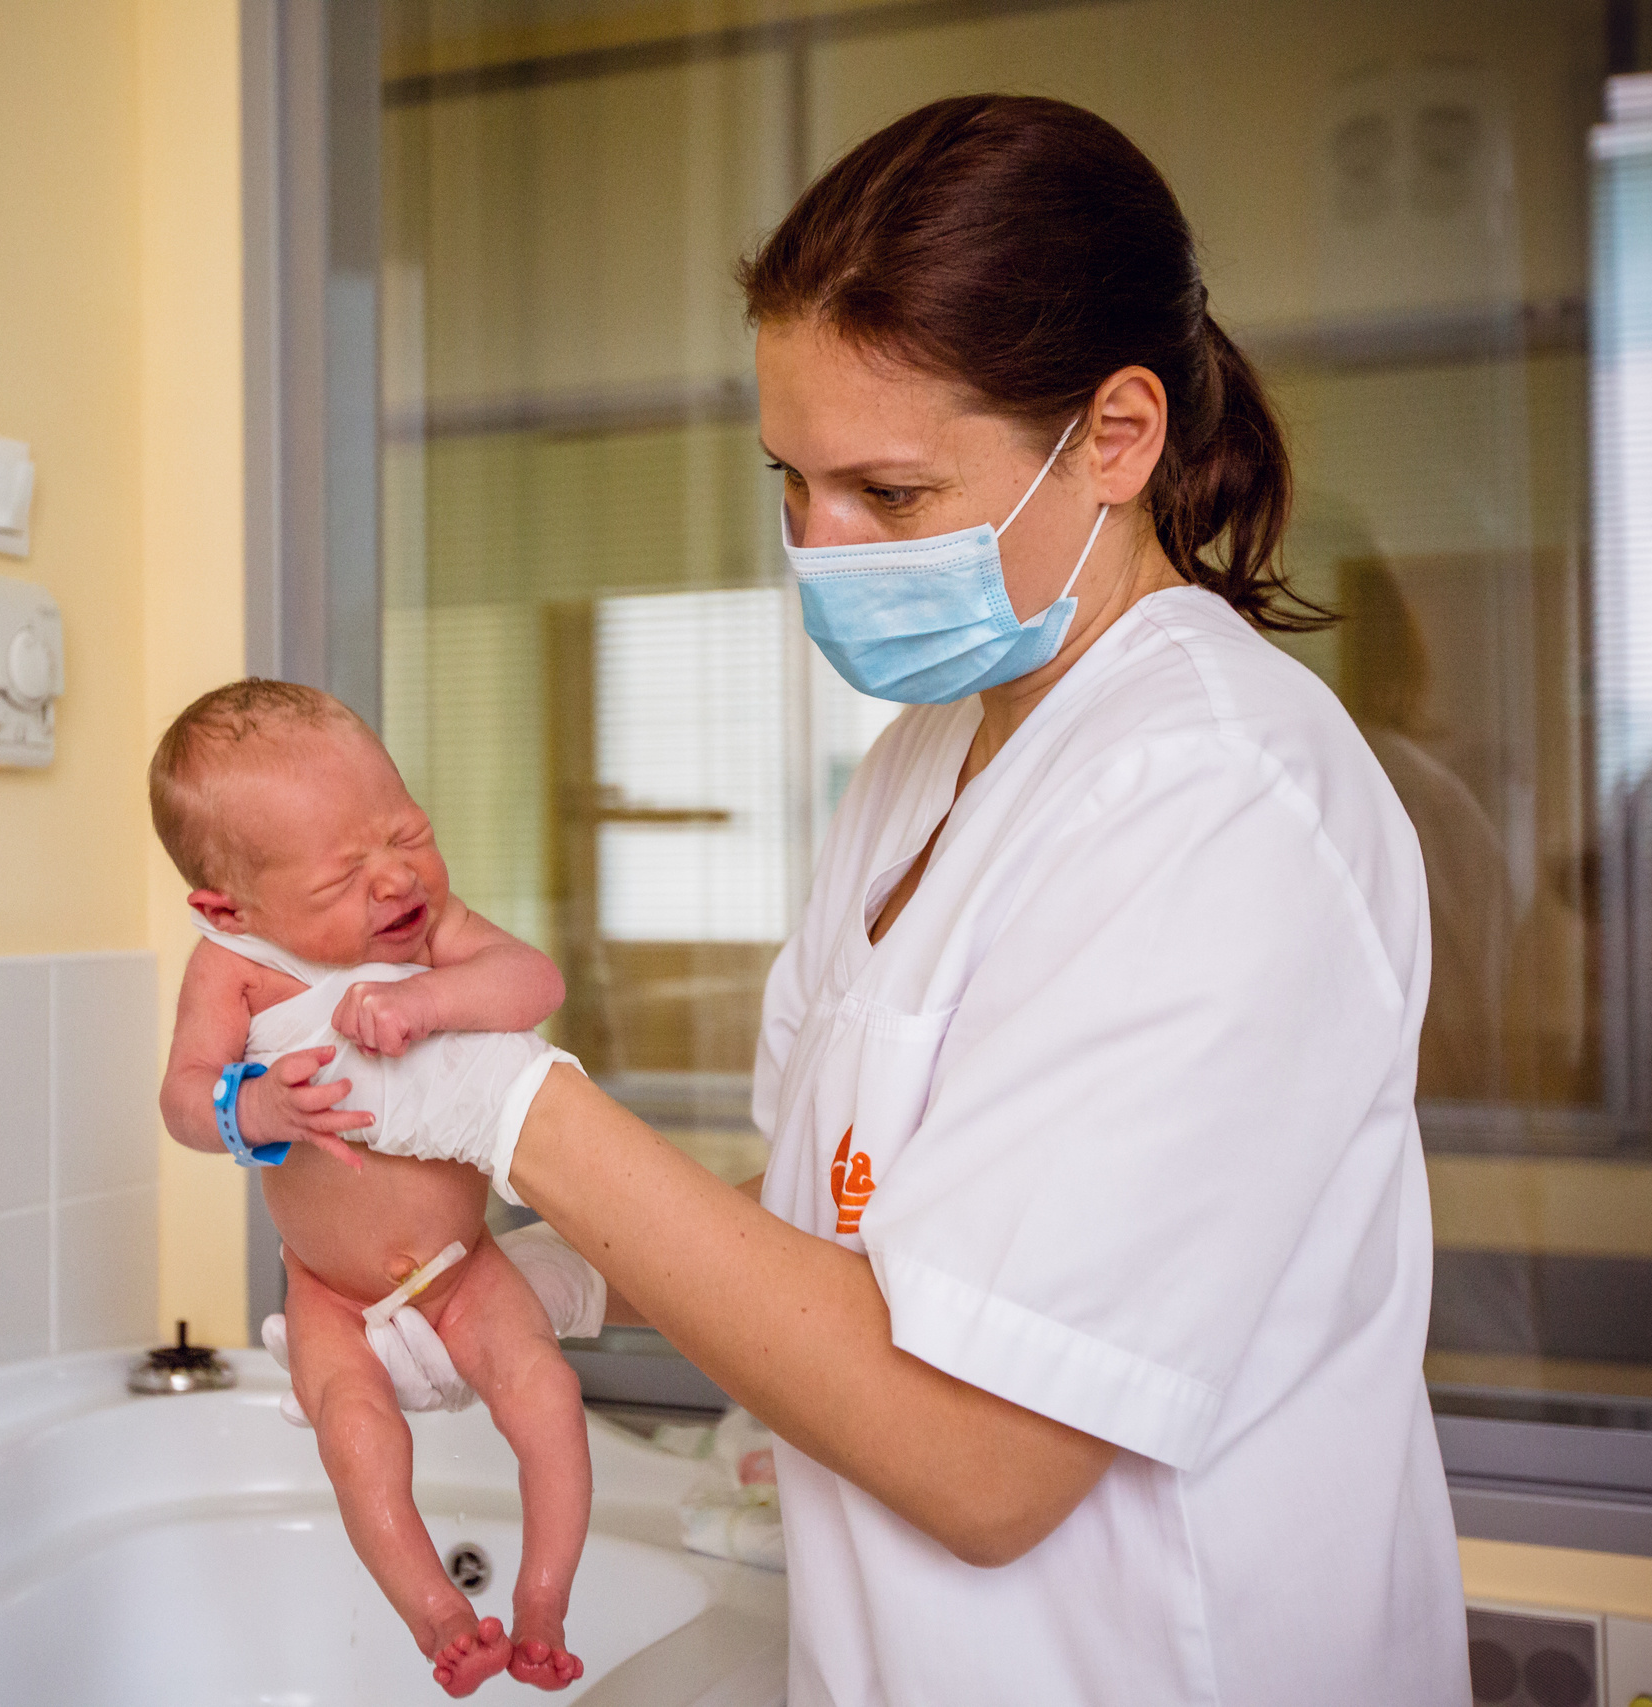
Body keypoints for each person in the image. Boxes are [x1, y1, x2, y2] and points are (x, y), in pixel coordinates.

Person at [339, 94, 1471, 1704]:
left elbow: (983, 1458)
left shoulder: (1221, 796)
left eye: (890, 492)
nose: (823, 549)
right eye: (791, 480)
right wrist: (550, 1272)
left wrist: (515, 1108)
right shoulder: (925, 758)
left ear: (1116, 436)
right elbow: (844, 1214)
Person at [150, 680, 590, 1697]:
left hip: (465, 1269)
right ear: (231, 906)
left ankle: (544, 1601)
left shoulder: (426, 934)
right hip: (329, 1293)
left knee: (548, 1395)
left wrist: (432, 998)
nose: (395, 878)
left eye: (407, 832)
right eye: (344, 872)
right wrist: (256, 1105)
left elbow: (535, 983)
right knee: (356, 1437)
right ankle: (437, 1615)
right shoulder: (235, 968)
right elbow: (180, 1099)